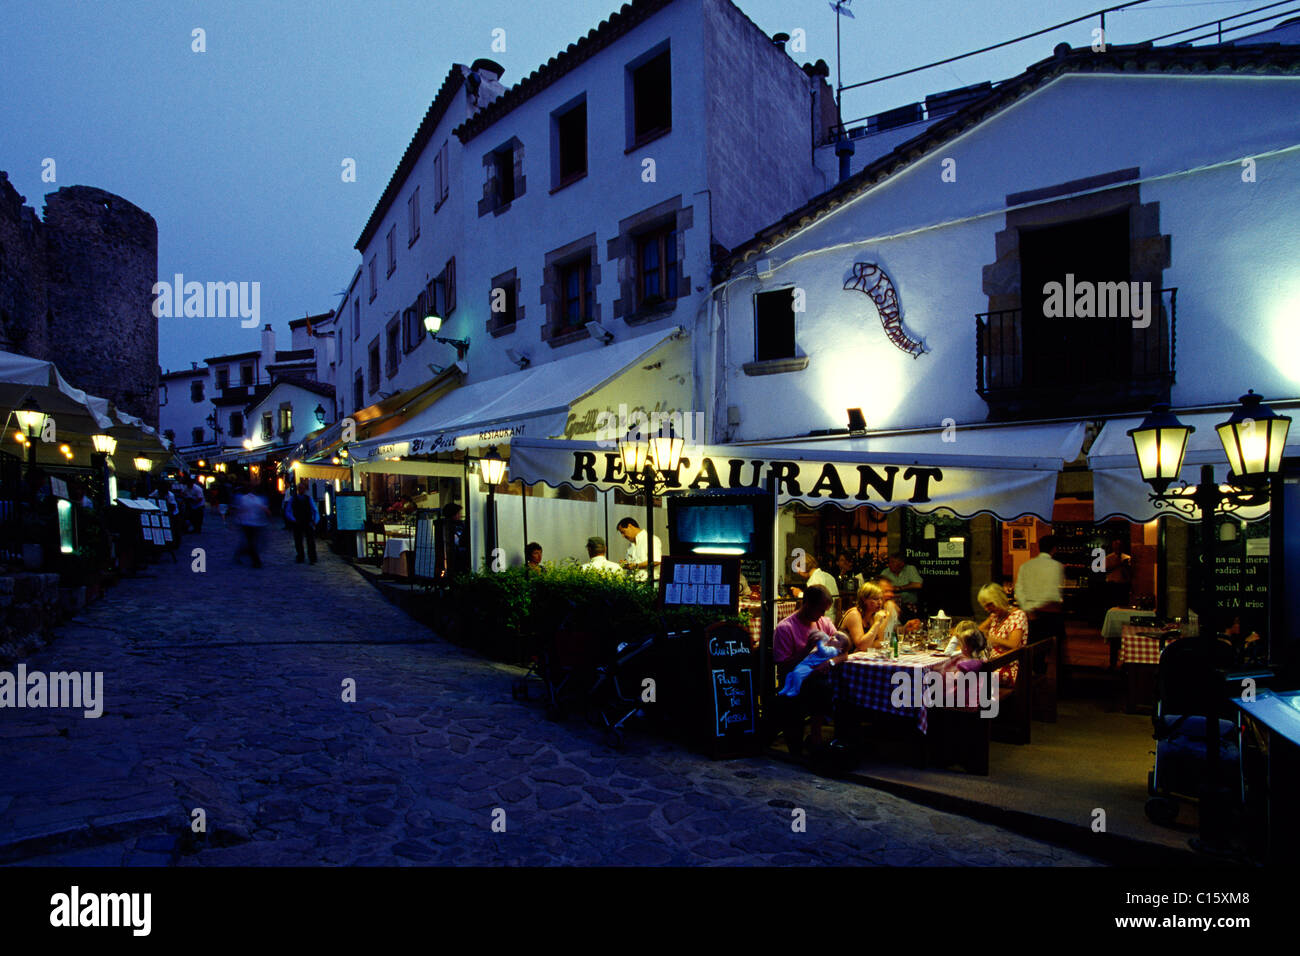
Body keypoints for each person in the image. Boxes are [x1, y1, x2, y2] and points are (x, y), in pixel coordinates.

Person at [772, 585, 843, 756]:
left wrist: (831, 662)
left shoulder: (824, 623)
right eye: (820, 610)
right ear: (807, 604)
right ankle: (807, 742)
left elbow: (844, 651)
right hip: (794, 683)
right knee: (820, 687)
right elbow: (783, 667)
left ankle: (821, 737)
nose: (823, 615)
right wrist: (807, 649)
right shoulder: (785, 628)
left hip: (819, 680)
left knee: (836, 686)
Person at [1015, 534, 1066, 647]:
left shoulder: (1025, 565)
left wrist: (1028, 608)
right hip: (1050, 616)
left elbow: (1018, 591)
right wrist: (1039, 606)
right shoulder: (1056, 566)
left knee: (1033, 650)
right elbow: (1052, 593)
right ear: (1054, 549)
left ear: (1039, 547)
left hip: (1030, 615)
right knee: (1055, 651)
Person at [977, 582, 1027, 685]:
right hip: (993, 664)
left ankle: (980, 700)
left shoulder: (1018, 615)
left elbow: (1014, 644)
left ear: (999, 599)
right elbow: (979, 630)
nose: (987, 609)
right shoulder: (996, 615)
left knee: (970, 677)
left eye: (989, 605)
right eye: (985, 606)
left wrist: (993, 639)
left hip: (1010, 667)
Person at [839, 581, 894, 651]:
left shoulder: (875, 615)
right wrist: (877, 623)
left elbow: (881, 643)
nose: (880, 602)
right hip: (844, 659)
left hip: (860, 657)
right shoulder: (854, 614)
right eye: (875, 599)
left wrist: (868, 645)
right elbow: (862, 646)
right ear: (864, 599)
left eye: (881, 599)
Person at [233, 482, 271, 568]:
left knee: (251, 542)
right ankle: (256, 561)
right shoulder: (256, 499)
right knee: (252, 542)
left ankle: (240, 553)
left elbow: (238, 510)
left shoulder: (244, 498)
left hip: (248, 523)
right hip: (251, 523)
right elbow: (264, 509)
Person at [617, 516, 662, 581]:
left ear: (630, 526)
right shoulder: (631, 544)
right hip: (634, 582)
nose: (623, 536)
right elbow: (632, 562)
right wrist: (625, 564)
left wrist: (636, 566)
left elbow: (656, 561)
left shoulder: (650, 539)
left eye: (623, 532)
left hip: (648, 582)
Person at [288, 481, 319, 565]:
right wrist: (293, 519)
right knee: (298, 541)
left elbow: (315, 510)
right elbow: (288, 510)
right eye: (299, 488)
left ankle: (312, 557)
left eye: (302, 488)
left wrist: (315, 521)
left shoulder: (309, 499)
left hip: (307, 521)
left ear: (305, 489)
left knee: (310, 541)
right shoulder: (293, 499)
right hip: (297, 521)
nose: (301, 490)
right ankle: (300, 556)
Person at [1104, 537, 1133, 609]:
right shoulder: (1108, 558)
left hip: (1124, 584)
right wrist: (1117, 564)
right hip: (1112, 584)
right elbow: (1105, 570)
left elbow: (1131, 572)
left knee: (1123, 604)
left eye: (1119, 545)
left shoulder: (1127, 557)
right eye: (1116, 545)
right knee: (1112, 604)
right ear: (1113, 546)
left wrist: (1125, 565)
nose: (1117, 547)